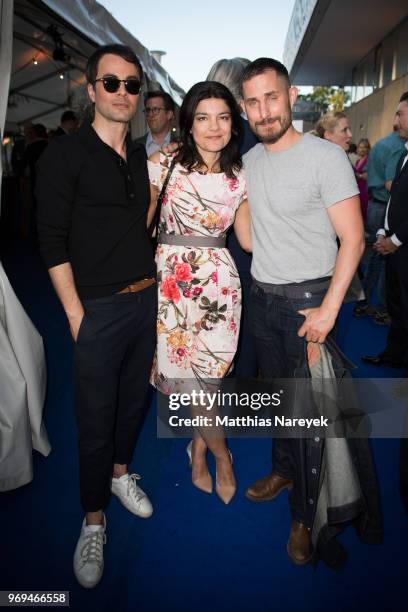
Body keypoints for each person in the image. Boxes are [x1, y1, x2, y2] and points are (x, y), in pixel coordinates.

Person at [36, 44, 157, 588]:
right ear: (91, 90)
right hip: (97, 311)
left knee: (133, 403)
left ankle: (119, 476)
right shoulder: (63, 156)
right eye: (112, 84)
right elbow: (52, 241)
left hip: (145, 301)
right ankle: (92, 520)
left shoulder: (139, 157)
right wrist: (75, 316)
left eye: (133, 85)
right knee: (93, 418)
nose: (124, 94)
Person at [240, 58, 364, 565]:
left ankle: (302, 515)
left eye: (272, 97)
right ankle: (282, 469)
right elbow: (248, 240)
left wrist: (330, 308)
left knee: (309, 416)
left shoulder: (324, 157)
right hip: (262, 299)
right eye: (253, 101)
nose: (264, 110)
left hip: (308, 305)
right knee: (276, 401)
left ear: (291, 98)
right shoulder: (248, 162)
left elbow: (354, 238)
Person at [147, 81, 251, 505]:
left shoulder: (240, 178)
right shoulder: (162, 165)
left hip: (220, 289)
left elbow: (247, 240)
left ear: (233, 124)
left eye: (223, 117)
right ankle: (217, 455)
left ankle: (204, 450)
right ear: (187, 123)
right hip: (171, 288)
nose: (214, 127)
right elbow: (138, 223)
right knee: (192, 384)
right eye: (204, 117)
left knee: (208, 379)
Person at [206, 57, 258, 378]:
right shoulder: (249, 136)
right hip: (242, 249)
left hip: (204, 250)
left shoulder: (199, 135)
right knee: (246, 327)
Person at [354, 117, 406, 325]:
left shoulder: (382, 144)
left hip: (375, 206)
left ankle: (365, 302)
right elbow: (392, 183)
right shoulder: (397, 147)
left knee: (376, 259)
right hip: (386, 208)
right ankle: (383, 309)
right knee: (386, 260)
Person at [135, 90, 176, 156]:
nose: (151, 114)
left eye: (156, 109)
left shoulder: (182, 145)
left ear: (169, 114)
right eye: (148, 110)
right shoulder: (135, 146)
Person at [354, 138, 371, 222]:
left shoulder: (369, 160)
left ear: (368, 149)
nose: (362, 149)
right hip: (358, 191)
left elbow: (369, 176)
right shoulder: (358, 161)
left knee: (363, 215)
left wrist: (359, 175)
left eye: (364, 147)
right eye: (360, 147)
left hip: (365, 191)